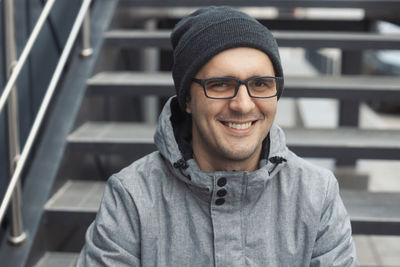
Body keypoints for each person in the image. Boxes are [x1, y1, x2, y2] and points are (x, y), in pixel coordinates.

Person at [77, 6, 358, 266]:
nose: (243, 104)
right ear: (187, 99)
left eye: (260, 84)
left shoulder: (315, 194)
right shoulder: (132, 198)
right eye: (221, 84)